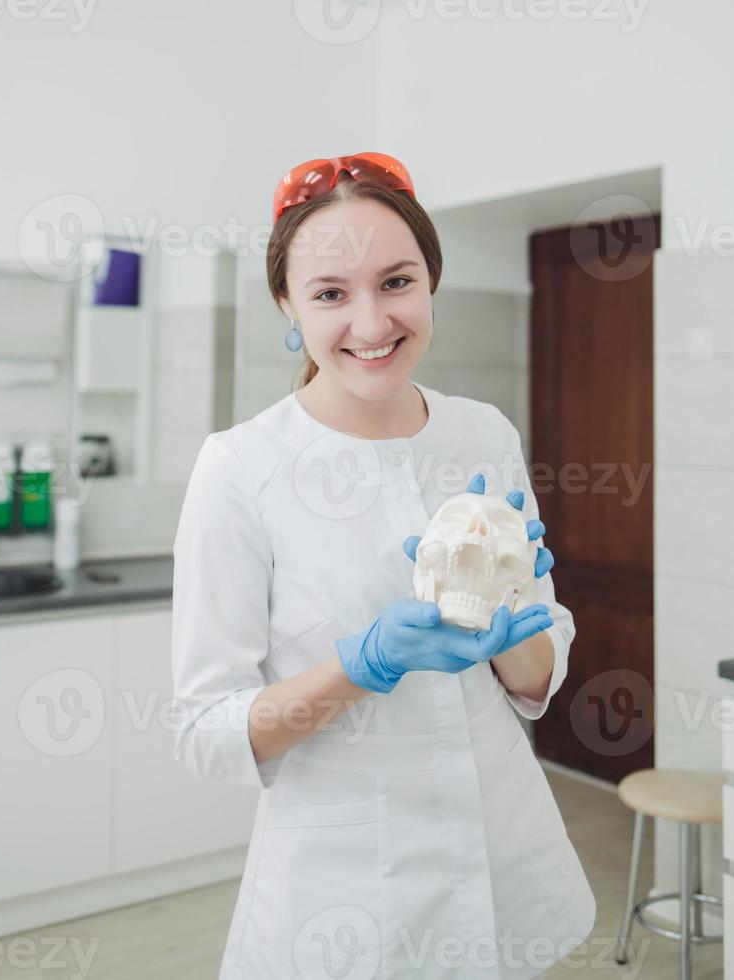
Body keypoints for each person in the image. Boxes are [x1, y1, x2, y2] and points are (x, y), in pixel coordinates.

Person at [170, 152, 596, 979]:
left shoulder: (483, 435)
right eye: (330, 293)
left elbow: (537, 678)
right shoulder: (240, 466)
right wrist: (363, 665)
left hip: (501, 852)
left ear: (430, 283)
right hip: (343, 894)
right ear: (288, 305)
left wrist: (510, 616)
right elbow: (203, 730)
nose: (370, 323)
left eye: (396, 282)